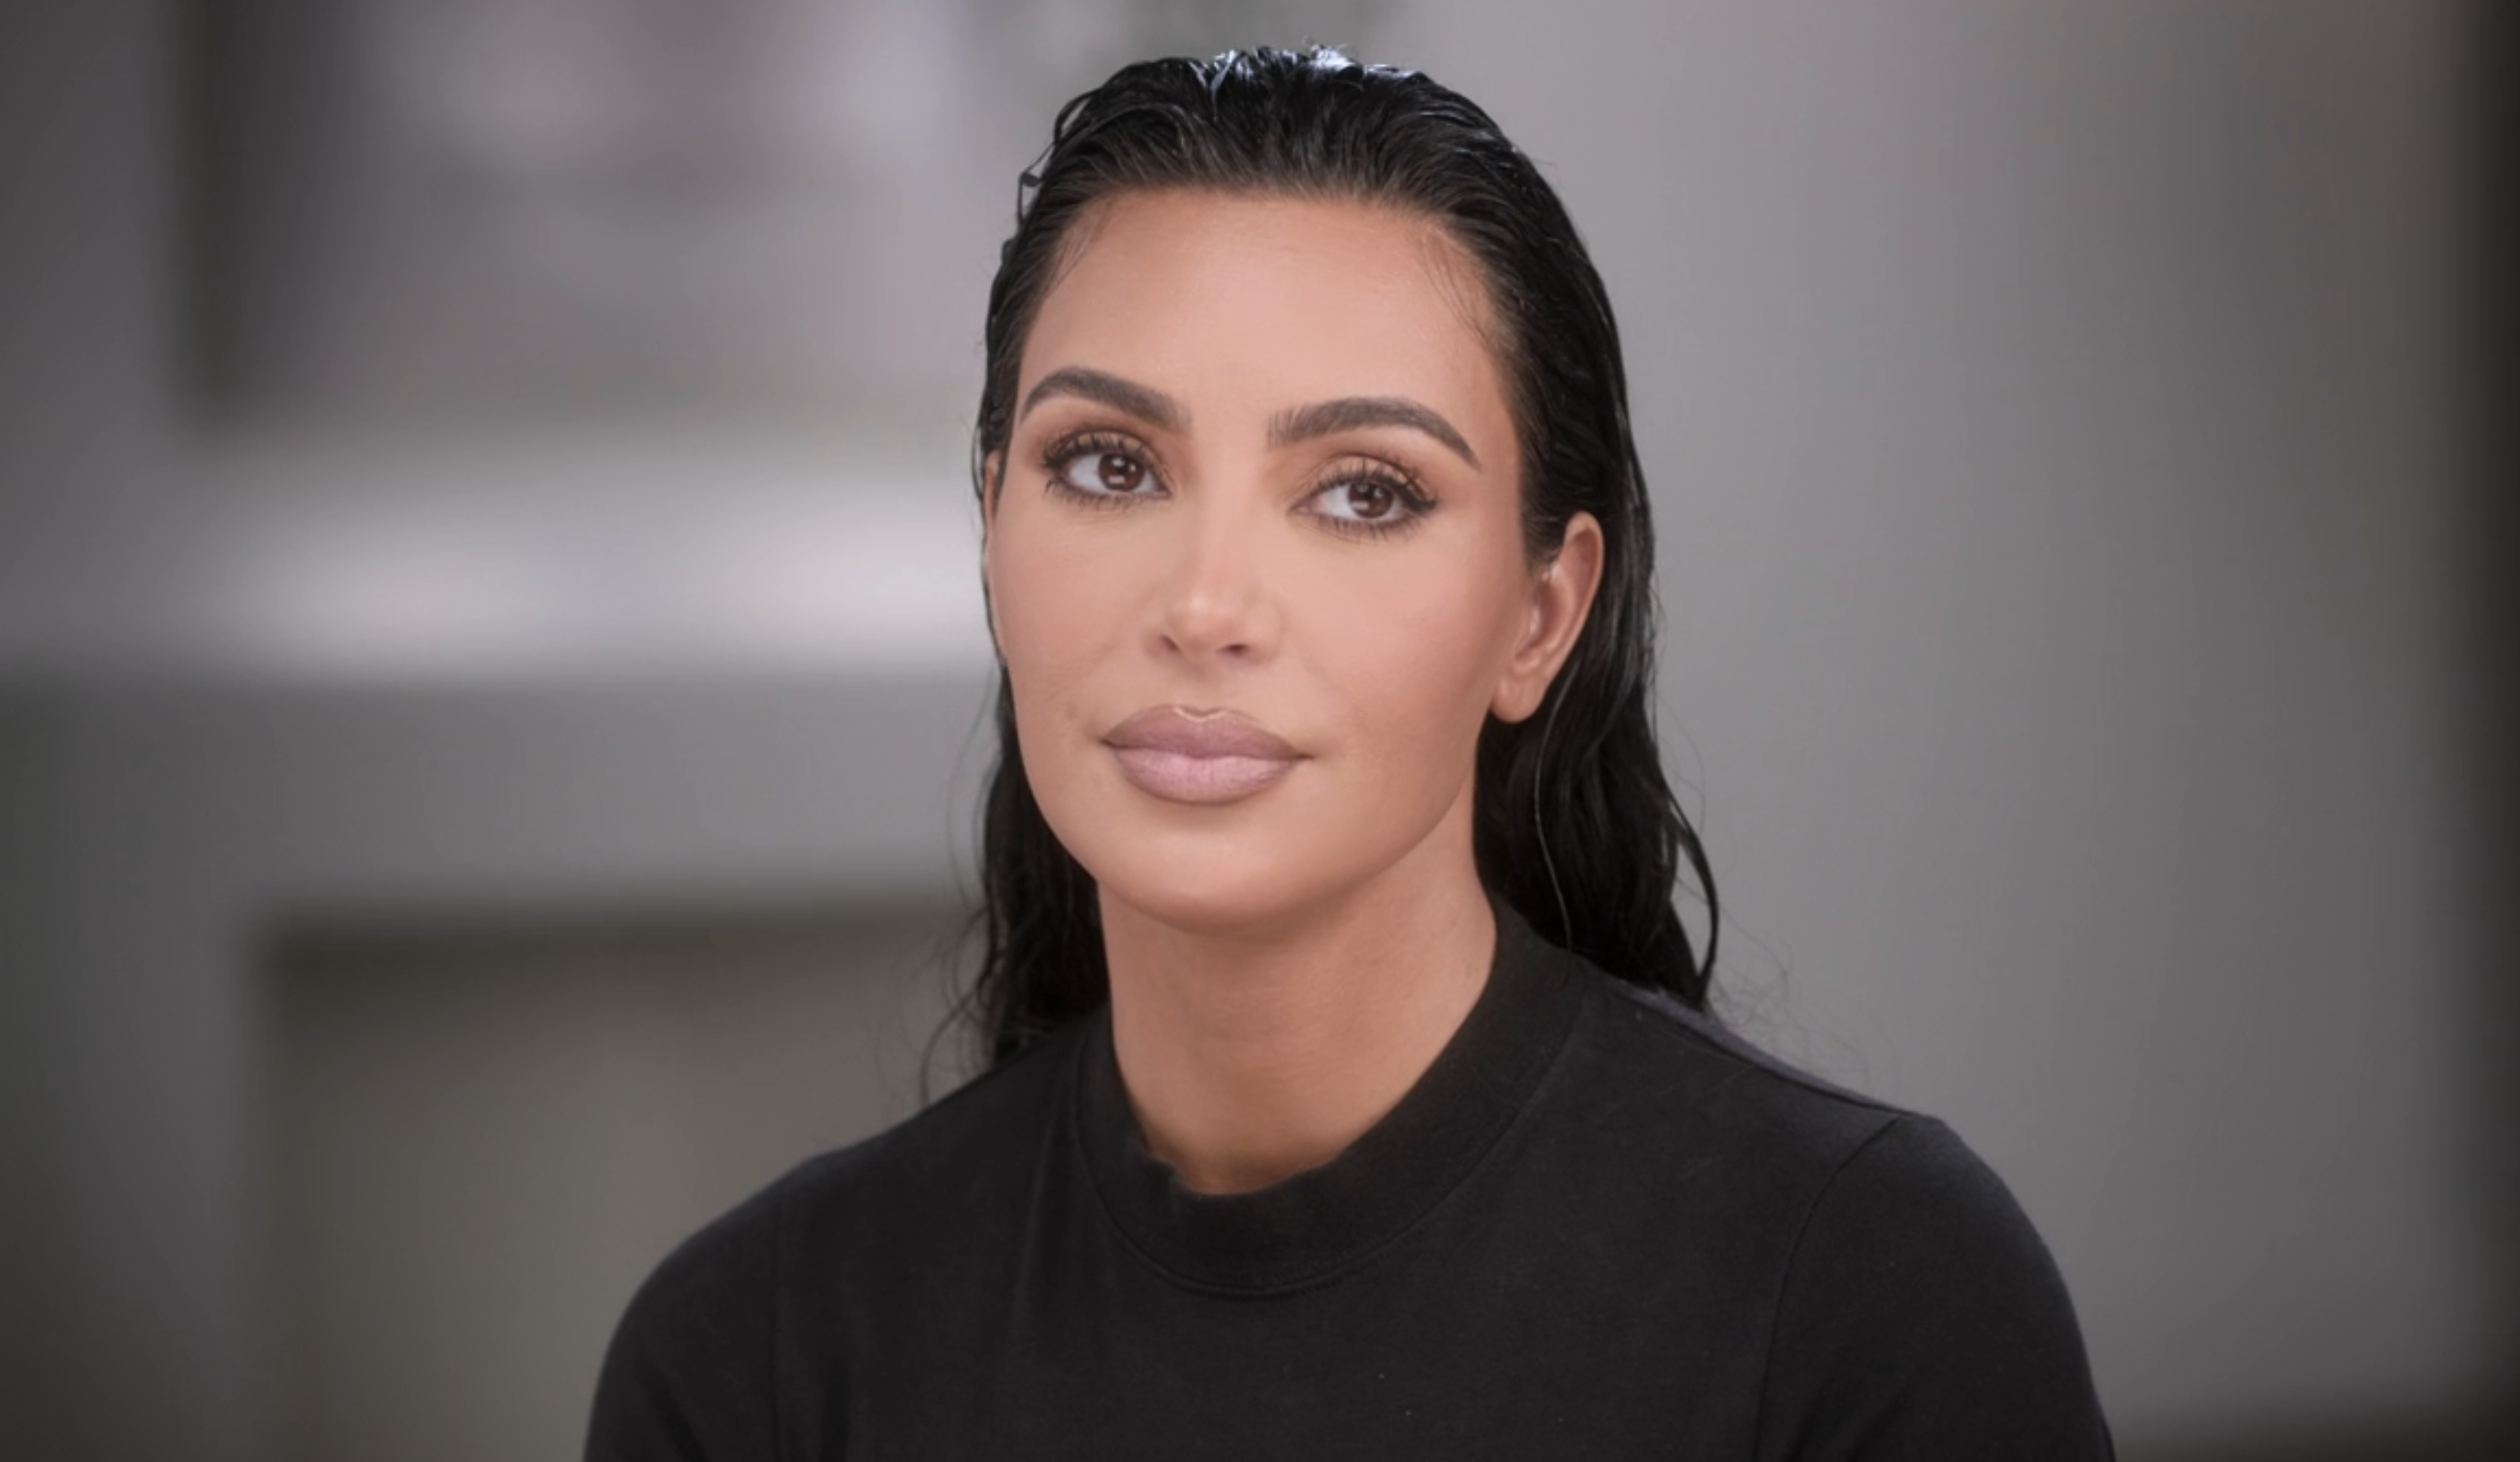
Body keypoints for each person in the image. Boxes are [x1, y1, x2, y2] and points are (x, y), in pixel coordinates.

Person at [586, 47, 2112, 1458]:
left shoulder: (1870, 1303)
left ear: (1540, 612)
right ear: (991, 529)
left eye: (1364, 492)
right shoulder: (759, 1358)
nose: (1204, 606)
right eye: (1108, 466)